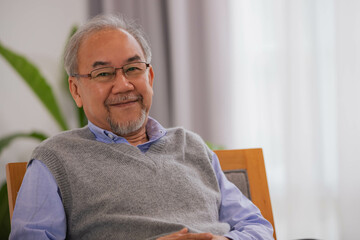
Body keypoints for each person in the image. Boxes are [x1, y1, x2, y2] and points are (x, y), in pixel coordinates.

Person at [9, 14, 274, 240]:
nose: (123, 85)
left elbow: (258, 227)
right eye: (103, 73)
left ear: (150, 77)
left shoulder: (192, 146)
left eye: (133, 69)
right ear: (76, 90)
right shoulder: (55, 159)